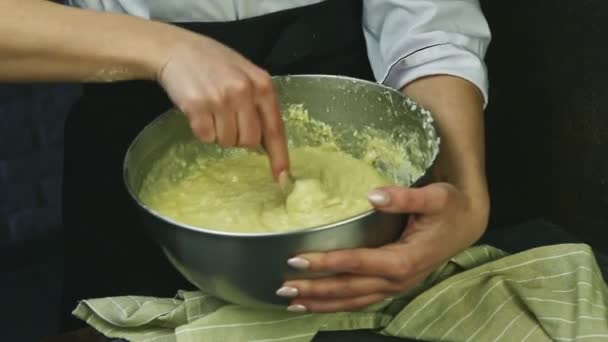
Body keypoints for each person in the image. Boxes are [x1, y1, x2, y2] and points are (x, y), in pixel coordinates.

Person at [1, 0, 492, 331]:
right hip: (131, 150)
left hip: (353, 112)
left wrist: (463, 185)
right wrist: (163, 49)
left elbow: (429, 18)